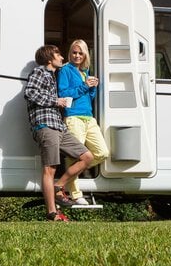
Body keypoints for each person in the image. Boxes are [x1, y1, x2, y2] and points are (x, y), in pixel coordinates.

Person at [25, 44, 95, 221]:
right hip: (45, 126)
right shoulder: (39, 72)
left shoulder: (53, 76)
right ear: (49, 58)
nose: (62, 58)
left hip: (59, 126)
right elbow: (30, 93)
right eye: (58, 54)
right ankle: (52, 213)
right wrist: (55, 101)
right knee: (50, 168)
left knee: (87, 157)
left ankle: (58, 187)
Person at [57, 39, 110, 205]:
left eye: (80, 53)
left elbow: (88, 97)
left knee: (102, 153)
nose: (77, 55)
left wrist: (92, 88)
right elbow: (63, 93)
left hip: (89, 118)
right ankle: (75, 194)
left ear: (85, 54)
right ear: (70, 53)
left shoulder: (85, 71)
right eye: (74, 52)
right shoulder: (65, 70)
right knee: (75, 157)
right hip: (73, 117)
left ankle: (67, 178)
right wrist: (84, 86)